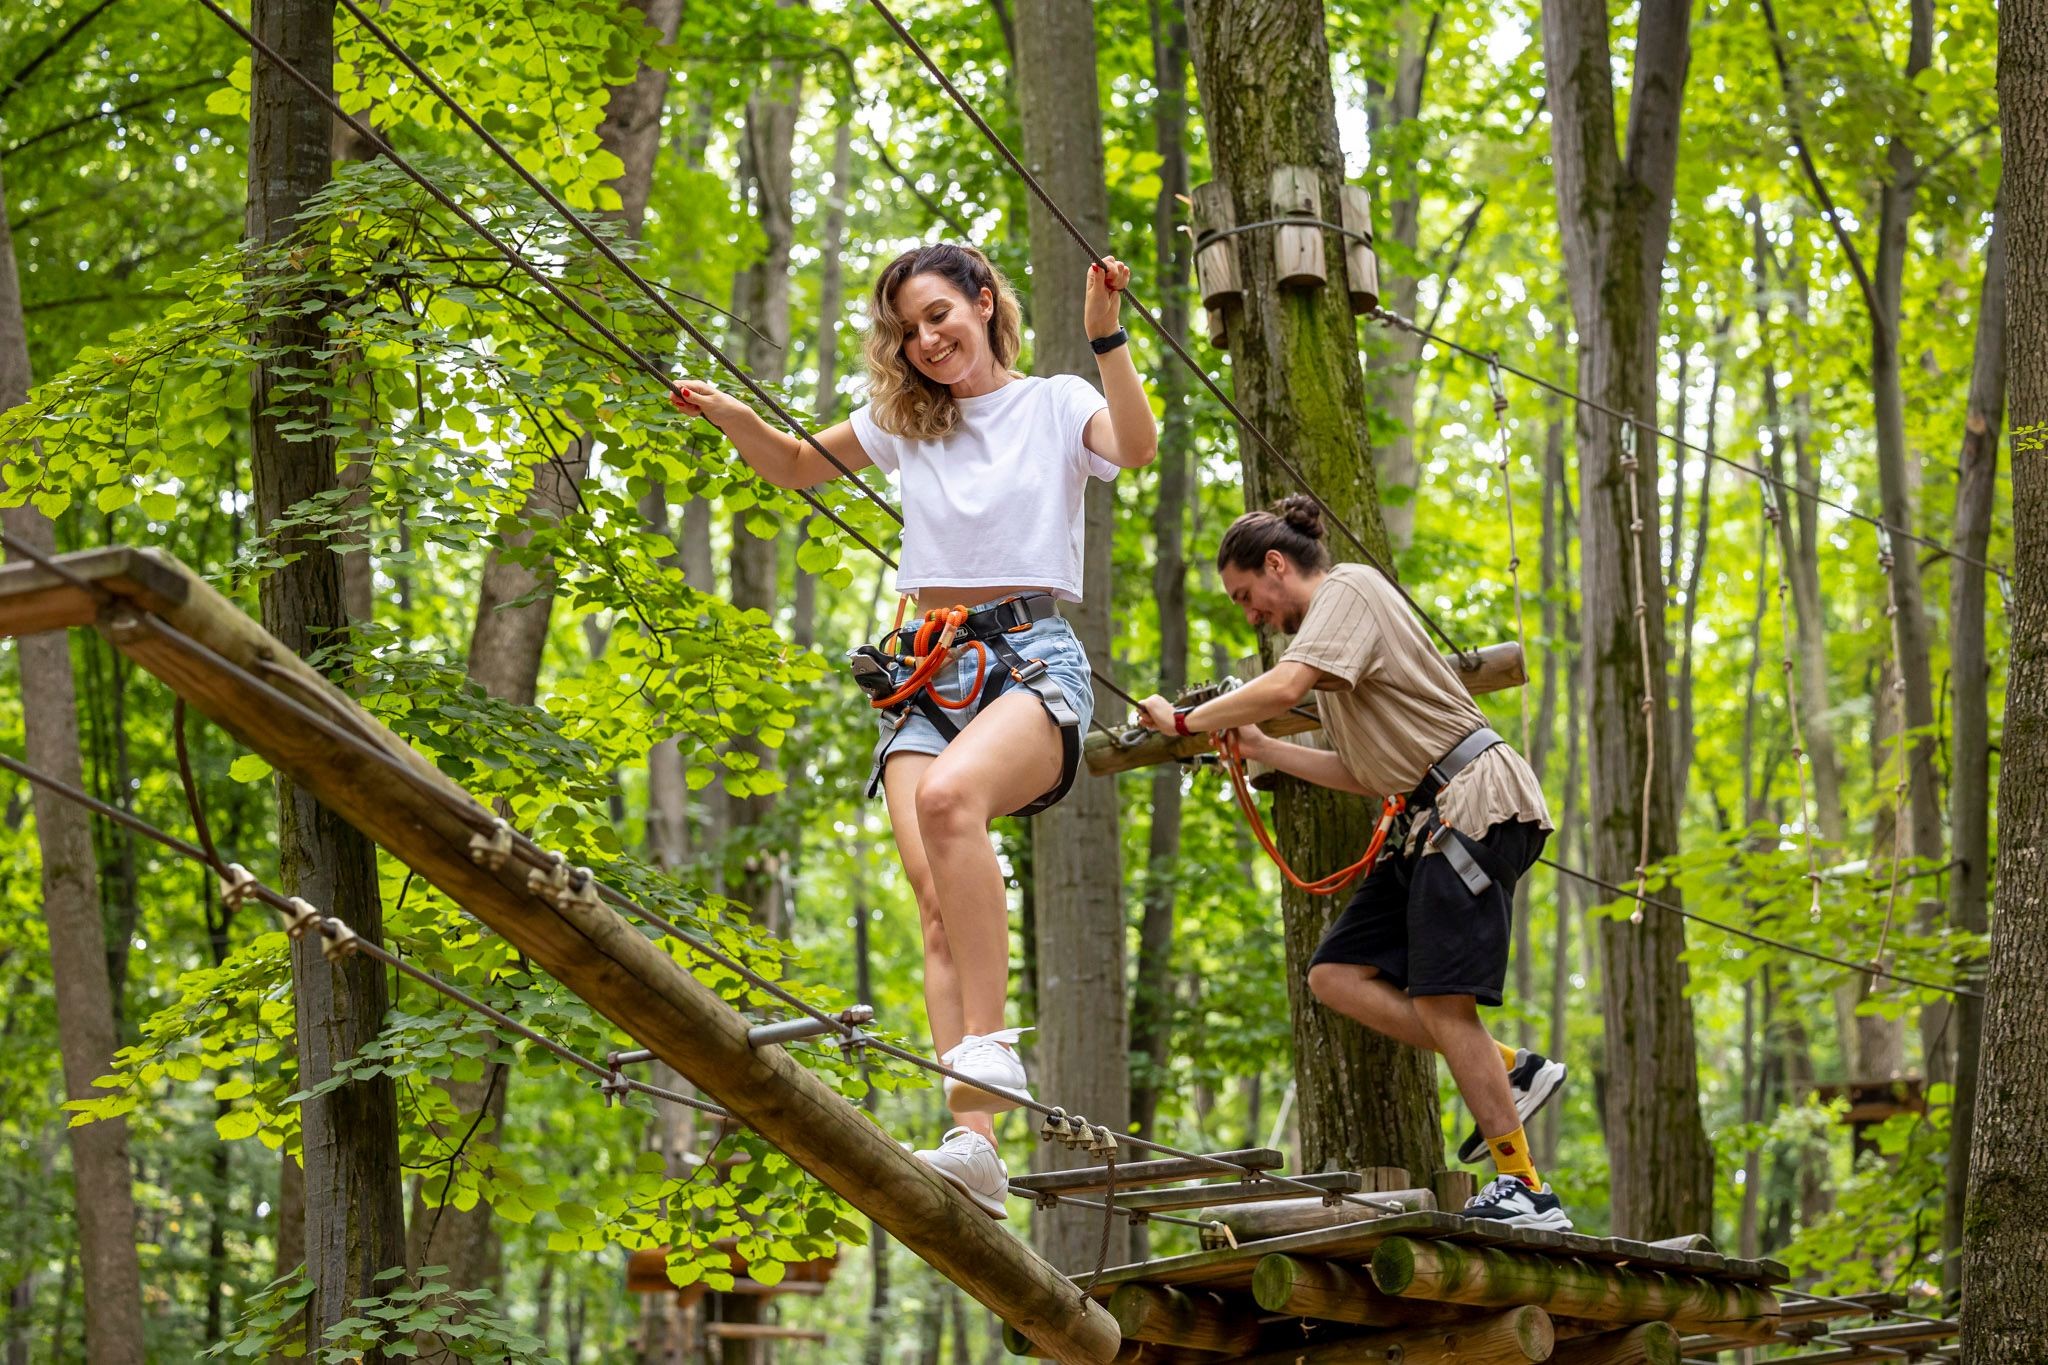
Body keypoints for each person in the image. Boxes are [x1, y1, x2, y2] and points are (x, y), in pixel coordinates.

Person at [672, 243, 1157, 1218]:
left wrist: (1105, 336)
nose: (926, 340)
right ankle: (973, 1142)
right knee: (934, 902)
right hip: (924, 670)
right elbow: (800, 466)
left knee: (949, 800)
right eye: (906, 330)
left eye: (938, 315)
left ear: (982, 302)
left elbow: (1135, 445)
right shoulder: (907, 423)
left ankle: (990, 1053)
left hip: (1027, 656)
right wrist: (733, 419)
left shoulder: (1055, 404)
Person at [1135, 495, 1572, 1230]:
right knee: (1334, 974)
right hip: (1429, 813)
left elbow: (1281, 688)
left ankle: (1526, 1186)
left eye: (1247, 595)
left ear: (1278, 565)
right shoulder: (1336, 649)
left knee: (1442, 1000)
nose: (1251, 615)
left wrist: (1185, 721)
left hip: (1473, 804)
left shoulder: (1349, 589)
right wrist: (1269, 751)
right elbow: (1372, 772)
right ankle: (1508, 1066)